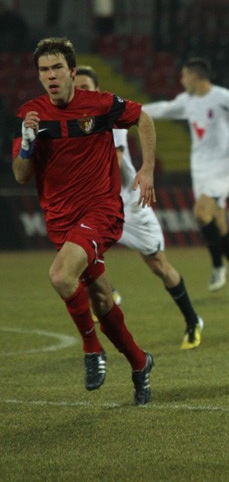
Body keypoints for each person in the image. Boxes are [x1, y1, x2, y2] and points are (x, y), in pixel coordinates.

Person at [11, 37, 155, 405]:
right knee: (102, 299)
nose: (51, 75)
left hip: (100, 211)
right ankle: (140, 363)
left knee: (61, 276)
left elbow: (143, 117)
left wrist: (147, 169)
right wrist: (27, 142)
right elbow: (21, 175)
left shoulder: (100, 104)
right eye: (44, 70)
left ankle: (92, 348)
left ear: (72, 71)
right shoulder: (32, 115)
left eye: (57, 68)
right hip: (61, 221)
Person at [74, 66, 203, 349]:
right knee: (76, 253)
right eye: (77, 86)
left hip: (129, 206)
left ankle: (193, 320)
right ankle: (109, 293)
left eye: (87, 86)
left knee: (159, 265)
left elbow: (116, 161)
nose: (82, 91)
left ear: (97, 90)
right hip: (97, 207)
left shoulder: (109, 118)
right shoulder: (68, 123)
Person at [142, 57, 229, 295]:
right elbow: (164, 109)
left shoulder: (226, 98)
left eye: (184, 76)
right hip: (201, 168)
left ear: (195, 76)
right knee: (218, 223)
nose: (181, 80)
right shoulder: (187, 101)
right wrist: (130, 110)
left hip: (227, 165)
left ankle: (218, 266)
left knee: (200, 213)